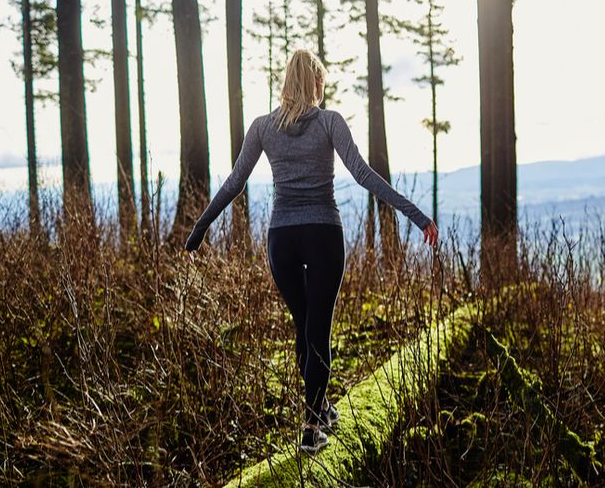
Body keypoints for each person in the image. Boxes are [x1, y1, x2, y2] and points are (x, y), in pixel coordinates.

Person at [184, 48, 438, 454]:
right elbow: (364, 174)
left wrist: (200, 228)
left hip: (282, 238)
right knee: (318, 328)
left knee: (305, 326)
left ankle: (319, 407)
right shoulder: (329, 122)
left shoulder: (263, 127)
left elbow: (235, 181)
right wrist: (418, 216)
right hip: (322, 232)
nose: (323, 87)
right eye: (321, 80)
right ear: (315, 82)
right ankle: (311, 426)